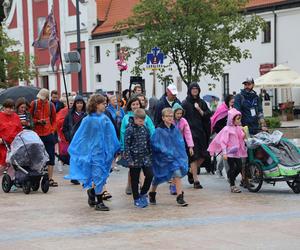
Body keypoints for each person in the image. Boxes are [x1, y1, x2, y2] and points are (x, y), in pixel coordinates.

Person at [65, 94, 120, 211]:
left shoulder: (105, 118)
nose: (105, 105)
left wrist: (115, 147)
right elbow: (81, 136)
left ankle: (92, 192)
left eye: (105, 103)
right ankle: (99, 202)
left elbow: (111, 134)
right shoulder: (88, 120)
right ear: (96, 105)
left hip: (104, 153)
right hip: (94, 153)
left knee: (102, 175)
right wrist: (81, 150)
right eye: (102, 103)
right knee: (98, 175)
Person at [149, 108, 188, 207]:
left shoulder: (174, 129)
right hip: (162, 159)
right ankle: (152, 193)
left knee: (177, 174)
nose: (170, 118)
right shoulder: (158, 130)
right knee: (158, 177)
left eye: (171, 116)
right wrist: (164, 151)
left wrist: (179, 154)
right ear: (163, 118)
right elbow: (154, 143)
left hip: (174, 158)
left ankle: (180, 196)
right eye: (167, 116)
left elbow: (179, 142)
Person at [120, 97, 155, 195]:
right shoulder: (126, 119)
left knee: (148, 174)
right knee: (134, 173)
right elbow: (123, 133)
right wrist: (123, 148)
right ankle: (133, 190)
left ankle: (142, 191)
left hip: (144, 154)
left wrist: (152, 147)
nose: (135, 106)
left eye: (137, 104)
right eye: (133, 104)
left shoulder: (145, 118)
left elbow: (151, 129)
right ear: (130, 106)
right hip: (133, 154)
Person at [208, 108, 247, 193]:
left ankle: (230, 176)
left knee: (239, 167)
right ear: (232, 119)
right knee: (232, 168)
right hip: (229, 153)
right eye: (237, 119)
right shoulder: (227, 129)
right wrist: (224, 153)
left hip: (236, 152)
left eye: (240, 118)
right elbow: (223, 142)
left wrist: (244, 132)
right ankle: (232, 185)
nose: (239, 120)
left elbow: (241, 137)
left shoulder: (238, 128)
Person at [182, 82, 211, 189]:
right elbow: (180, 117)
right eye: (193, 89)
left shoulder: (202, 102)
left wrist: (199, 110)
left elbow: (208, 115)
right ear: (189, 90)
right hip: (190, 133)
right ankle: (196, 180)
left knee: (204, 156)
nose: (195, 90)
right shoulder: (185, 103)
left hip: (201, 132)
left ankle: (190, 172)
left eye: (196, 89)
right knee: (194, 156)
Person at [124, 108, 153, 208]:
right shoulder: (129, 130)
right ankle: (136, 198)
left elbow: (149, 143)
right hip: (134, 158)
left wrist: (150, 155)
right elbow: (127, 146)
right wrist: (129, 159)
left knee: (150, 175)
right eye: (140, 121)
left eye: (143, 120)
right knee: (135, 179)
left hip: (145, 157)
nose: (142, 122)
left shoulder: (145, 129)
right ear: (135, 119)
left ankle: (143, 193)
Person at [30, 88, 57, 187]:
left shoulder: (51, 105)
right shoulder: (34, 104)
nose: (40, 100)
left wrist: (53, 130)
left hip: (48, 133)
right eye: (40, 98)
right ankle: (35, 177)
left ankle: (50, 179)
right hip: (37, 134)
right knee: (36, 156)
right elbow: (29, 117)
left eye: (43, 98)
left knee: (51, 156)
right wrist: (38, 121)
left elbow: (54, 119)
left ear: (47, 98)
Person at [169, 103, 194, 195]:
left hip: (180, 146)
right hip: (171, 146)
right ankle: (173, 185)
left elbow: (188, 134)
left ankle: (175, 184)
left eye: (180, 113)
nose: (179, 115)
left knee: (180, 165)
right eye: (177, 113)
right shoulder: (170, 121)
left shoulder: (184, 121)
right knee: (173, 166)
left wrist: (190, 146)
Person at [210, 94, 235, 178]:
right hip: (221, 133)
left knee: (225, 152)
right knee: (225, 152)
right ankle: (228, 174)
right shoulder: (222, 109)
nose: (233, 104)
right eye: (231, 102)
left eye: (233, 102)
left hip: (229, 133)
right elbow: (216, 125)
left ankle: (219, 169)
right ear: (227, 101)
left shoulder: (230, 110)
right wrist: (223, 132)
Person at [0, 99, 22, 175]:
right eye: (8, 108)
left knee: (13, 164)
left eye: (12, 108)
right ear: (4, 108)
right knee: (2, 165)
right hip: (2, 145)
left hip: (14, 144)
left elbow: (20, 130)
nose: (11, 110)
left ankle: (11, 182)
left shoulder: (15, 116)